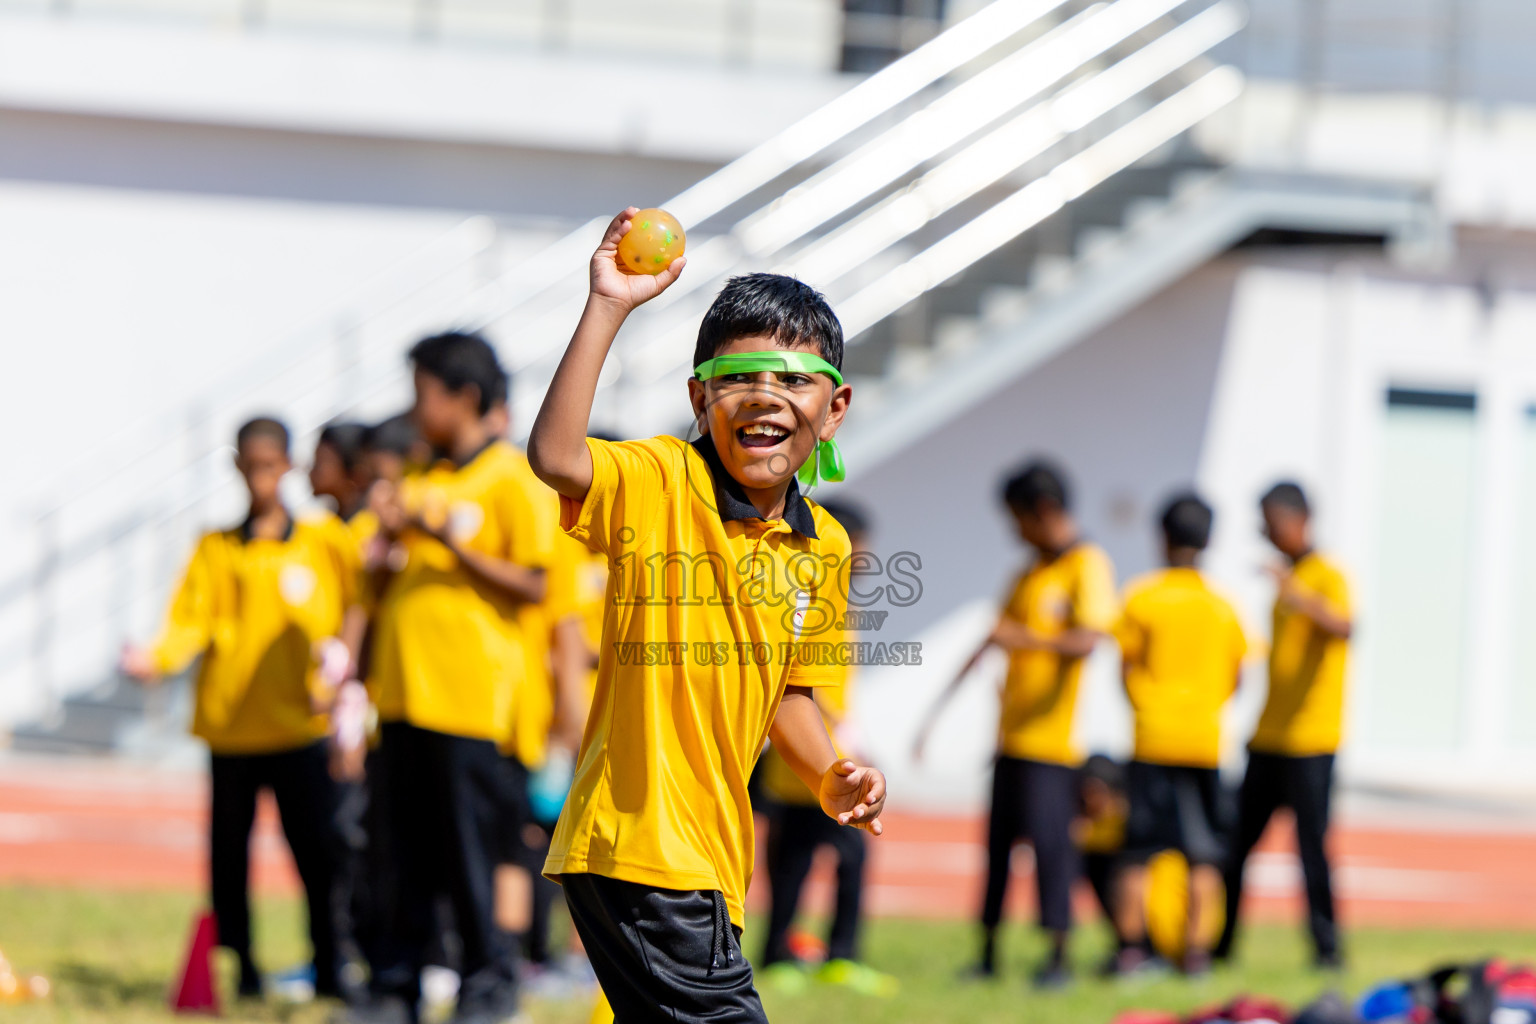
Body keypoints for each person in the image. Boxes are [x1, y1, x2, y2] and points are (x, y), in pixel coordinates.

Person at [526, 208, 887, 1024]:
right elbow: (554, 456)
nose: (767, 398)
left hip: (713, 856)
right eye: (740, 378)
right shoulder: (657, 481)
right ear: (700, 397)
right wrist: (609, 305)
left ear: (834, 410)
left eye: (795, 380)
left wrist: (830, 775)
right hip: (642, 846)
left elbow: (790, 695)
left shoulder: (822, 545)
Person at [348, 332, 556, 1024]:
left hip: (473, 703)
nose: (413, 409)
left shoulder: (512, 477)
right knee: (398, 856)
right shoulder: (421, 480)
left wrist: (442, 540)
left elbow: (534, 582)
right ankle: (397, 986)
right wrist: (384, 556)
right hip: (403, 697)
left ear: (464, 397)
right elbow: (385, 586)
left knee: (471, 861)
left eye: (422, 393)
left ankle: (487, 986)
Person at [121, 416, 359, 999]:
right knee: (228, 861)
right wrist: (158, 657)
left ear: (288, 467)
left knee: (317, 856)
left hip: (300, 728)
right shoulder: (216, 549)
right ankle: (241, 969)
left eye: (270, 467)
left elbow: (356, 611)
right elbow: (189, 621)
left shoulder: (323, 544)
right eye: (249, 468)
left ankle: (330, 967)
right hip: (231, 730)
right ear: (236, 469)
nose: (260, 481)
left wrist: (339, 682)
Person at [912, 459, 1116, 989]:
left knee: (1052, 850)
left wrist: (1026, 641)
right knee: (997, 850)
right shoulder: (1028, 572)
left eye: (1017, 518)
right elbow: (992, 638)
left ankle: (1057, 958)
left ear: (1042, 510)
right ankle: (987, 954)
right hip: (1012, 738)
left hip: (1055, 744)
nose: (1014, 531)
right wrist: (933, 717)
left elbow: (1088, 641)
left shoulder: (1086, 566)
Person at [756, 499, 895, 998]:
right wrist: (846, 733)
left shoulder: (836, 605)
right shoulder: (806, 602)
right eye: (861, 547)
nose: (866, 557)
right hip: (819, 764)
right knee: (810, 862)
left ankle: (799, 954)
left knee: (813, 860)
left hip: (822, 761)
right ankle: (816, 955)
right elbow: (804, 688)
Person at [1216, 481, 1353, 970]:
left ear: (1298, 520)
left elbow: (1346, 626)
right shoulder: (1289, 581)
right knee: (1233, 843)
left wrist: (1295, 592)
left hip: (1312, 740)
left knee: (1311, 850)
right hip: (1268, 737)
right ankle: (1218, 945)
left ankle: (1328, 950)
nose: (1266, 534)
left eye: (1271, 523)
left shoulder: (1325, 575)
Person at [1111, 493, 1248, 977]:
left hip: (1153, 738)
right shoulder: (1223, 605)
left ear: (1162, 537)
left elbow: (1125, 665)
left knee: (1137, 853)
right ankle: (1195, 956)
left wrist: (1147, 706)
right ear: (1209, 540)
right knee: (1204, 855)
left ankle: (1130, 952)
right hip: (1204, 741)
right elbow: (1239, 675)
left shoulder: (1142, 595)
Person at [1074, 754, 1130, 971]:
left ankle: (1132, 947)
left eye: (1095, 792)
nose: (1090, 800)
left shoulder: (1128, 822)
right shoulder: (1089, 826)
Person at [311, 421, 373, 524]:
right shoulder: (333, 523)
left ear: (354, 473)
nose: (312, 471)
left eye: (320, 463)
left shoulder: (369, 527)